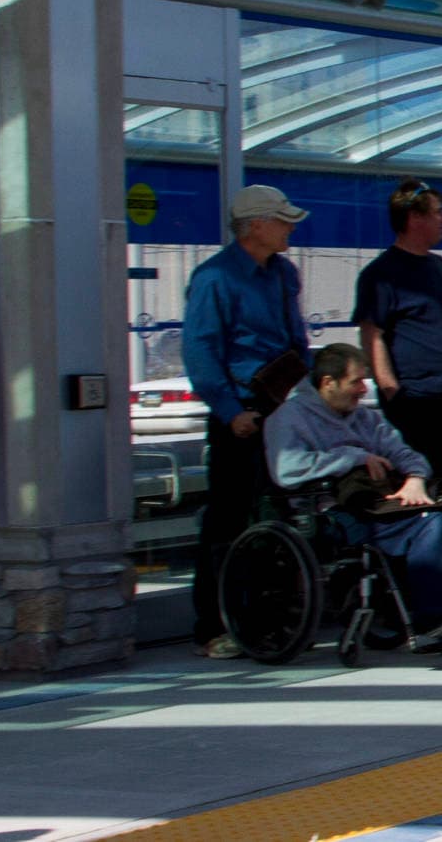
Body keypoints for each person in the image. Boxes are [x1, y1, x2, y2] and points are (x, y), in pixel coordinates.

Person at [266, 343, 442, 653]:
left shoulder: (364, 417)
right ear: (328, 383)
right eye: (355, 381)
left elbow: (403, 452)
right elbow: (286, 470)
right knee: (430, 521)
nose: (363, 388)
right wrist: (353, 457)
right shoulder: (291, 417)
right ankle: (431, 621)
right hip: (335, 510)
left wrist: (415, 480)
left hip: (380, 500)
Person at [180, 184, 313, 659]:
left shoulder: (283, 274)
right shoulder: (214, 278)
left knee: (276, 514)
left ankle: (269, 617)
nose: (291, 228)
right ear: (256, 225)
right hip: (238, 412)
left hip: (281, 405)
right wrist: (231, 411)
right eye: (282, 220)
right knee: (227, 521)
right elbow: (200, 351)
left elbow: (298, 341)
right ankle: (213, 626)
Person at [355, 179, 442, 493]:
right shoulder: (381, 274)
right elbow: (372, 336)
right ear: (415, 218)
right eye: (438, 212)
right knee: (417, 490)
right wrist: (392, 393)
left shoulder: (441, 267)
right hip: (413, 403)